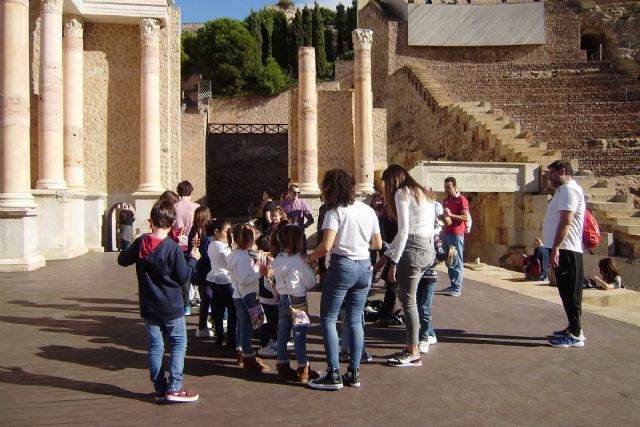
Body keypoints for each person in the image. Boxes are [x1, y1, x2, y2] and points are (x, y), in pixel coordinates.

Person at [117, 201, 200, 403]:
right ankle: (175, 386)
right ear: (172, 223)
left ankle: (160, 388)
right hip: (171, 306)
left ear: (150, 221)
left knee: (155, 347)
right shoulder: (172, 248)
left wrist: (130, 242)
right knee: (178, 343)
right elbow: (183, 277)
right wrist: (193, 259)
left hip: (149, 306)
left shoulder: (141, 242)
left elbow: (123, 260)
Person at [306, 169, 381, 390]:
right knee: (355, 319)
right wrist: (358, 246)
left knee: (329, 319)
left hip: (343, 266)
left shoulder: (333, 212)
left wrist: (309, 258)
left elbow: (326, 246)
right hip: (364, 267)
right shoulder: (368, 211)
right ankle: (354, 372)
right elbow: (377, 243)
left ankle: (333, 372)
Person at [376, 165, 436, 367]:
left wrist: (393, 261)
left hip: (413, 249)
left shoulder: (402, 193)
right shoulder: (424, 193)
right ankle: (420, 340)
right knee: (415, 300)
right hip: (428, 249)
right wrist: (386, 256)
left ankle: (413, 350)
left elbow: (404, 231)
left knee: (408, 301)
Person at [543, 160, 587, 348]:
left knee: (571, 294)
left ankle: (575, 335)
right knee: (565, 292)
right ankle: (572, 328)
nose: (549, 176)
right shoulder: (562, 191)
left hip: (567, 249)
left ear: (562, 171)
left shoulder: (569, 190)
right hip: (563, 249)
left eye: (551, 172)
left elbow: (566, 221)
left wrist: (556, 248)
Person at [272, 224, 319, 383]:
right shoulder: (299, 260)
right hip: (297, 301)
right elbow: (310, 282)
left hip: (283, 298)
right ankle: (303, 367)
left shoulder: (277, 259)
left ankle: (282, 365)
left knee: (282, 333)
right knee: (299, 335)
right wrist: (314, 270)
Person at [228, 223, 271, 372]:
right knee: (247, 328)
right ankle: (247, 356)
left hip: (239, 295)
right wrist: (261, 274)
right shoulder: (243, 257)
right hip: (246, 295)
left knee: (242, 325)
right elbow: (244, 279)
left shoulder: (234, 255)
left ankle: (243, 351)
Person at [206, 219, 237, 348]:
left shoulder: (211, 244)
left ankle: (219, 335)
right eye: (226, 231)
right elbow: (230, 264)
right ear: (217, 232)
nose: (229, 234)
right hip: (225, 279)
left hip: (214, 278)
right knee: (232, 310)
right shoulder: (222, 247)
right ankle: (231, 338)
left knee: (217, 308)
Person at [438, 177, 469, 297]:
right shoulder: (445, 200)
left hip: (456, 234)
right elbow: (447, 218)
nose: (446, 189)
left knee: (456, 261)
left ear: (455, 187)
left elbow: (465, 217)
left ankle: (457, 288)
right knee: (449, 260)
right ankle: (452, 285)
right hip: (447, 233)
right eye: (445, 187)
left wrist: (451, 215)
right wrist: (442, 217)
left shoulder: (461, 199)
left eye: (448, 187)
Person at [188, 207, 213, 338]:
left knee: (205, 298)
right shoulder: (207, 235)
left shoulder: (193, 231)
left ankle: (205, 324)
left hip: (198, 268)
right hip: (207, 269)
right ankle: (202, 326)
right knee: (208, 298)